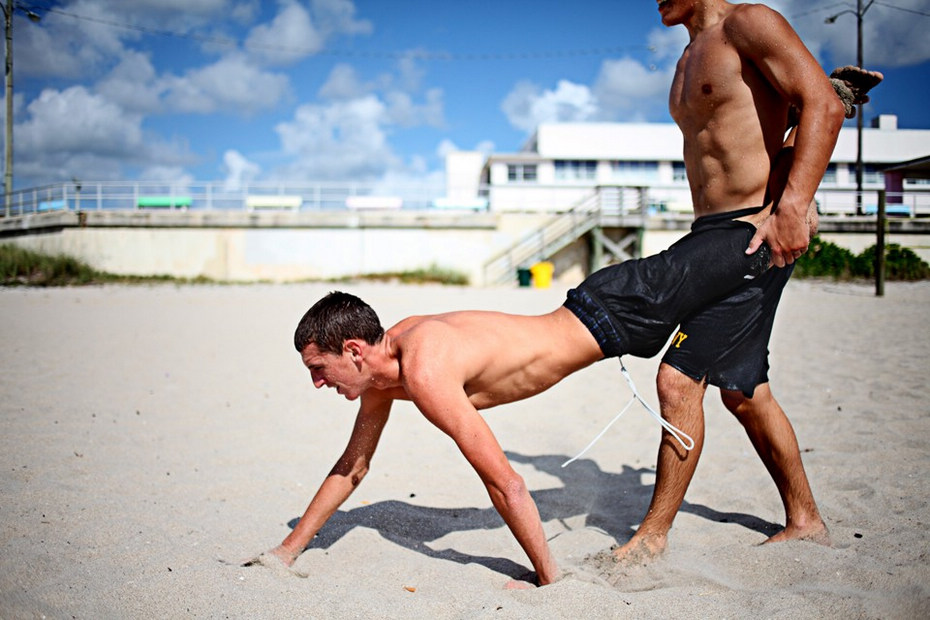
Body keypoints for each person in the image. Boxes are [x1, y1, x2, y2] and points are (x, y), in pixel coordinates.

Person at [606, 0, 858, 564]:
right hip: (711, 232)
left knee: (678, 381)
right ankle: (805, 519)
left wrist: (793, 205)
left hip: (754, 230)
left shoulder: (749, 24)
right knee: (744, 393)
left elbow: (821, 104)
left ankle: (652, 536)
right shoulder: (687, 58)